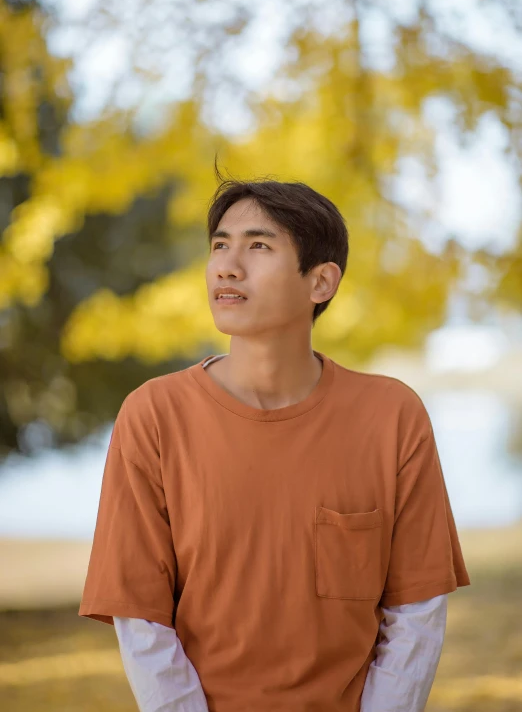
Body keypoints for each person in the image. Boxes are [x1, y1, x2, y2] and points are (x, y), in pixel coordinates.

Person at [79, 168, 470, 712]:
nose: (227, 266)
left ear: (321, 282)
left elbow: (416, 612)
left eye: (258, 246)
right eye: (220, 246)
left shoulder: (393, 417)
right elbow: (141, 618)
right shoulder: (154, 415)